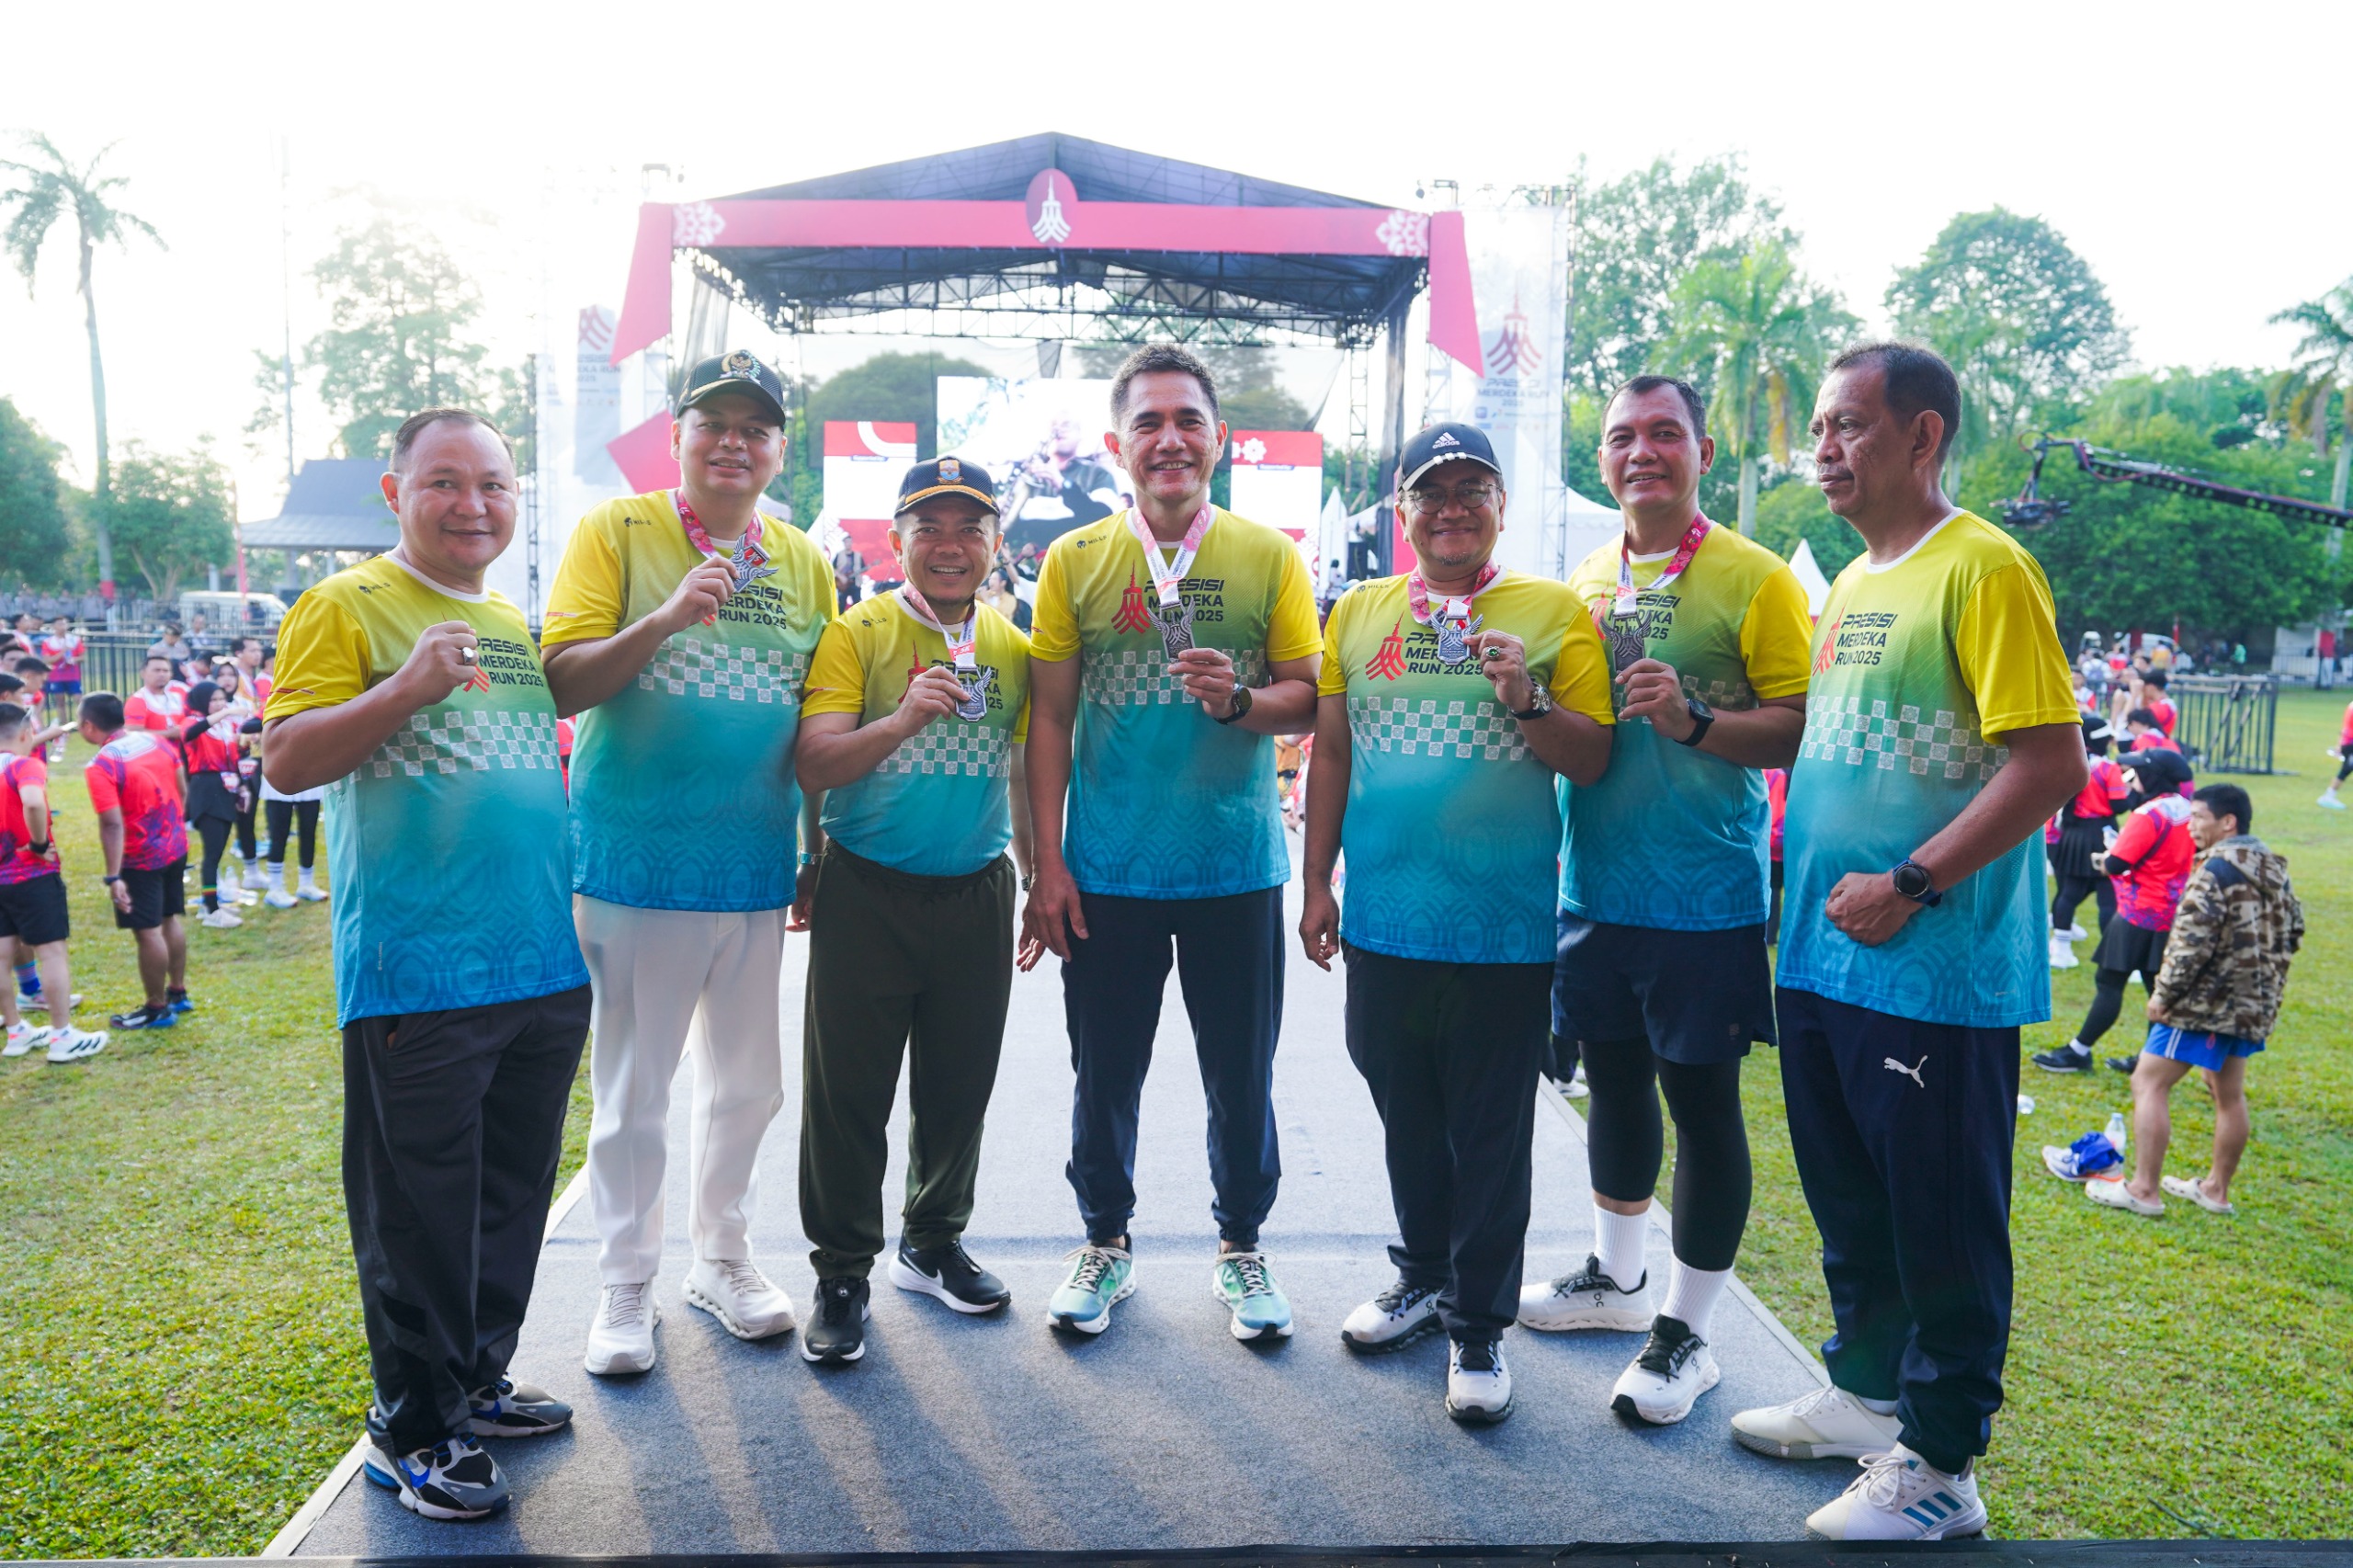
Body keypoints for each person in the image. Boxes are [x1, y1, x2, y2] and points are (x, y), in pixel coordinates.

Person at [1733, 345, 2082, 1541]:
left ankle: (1940, 1462)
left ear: (1923, 436)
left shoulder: (1985, 567)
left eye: (1849, 425)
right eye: (1819, 428)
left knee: (1940, 1216)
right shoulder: (1848, 580)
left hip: (1934, 966)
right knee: (1850, 1198)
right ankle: (1864, 1393)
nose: (1823, 449)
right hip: (1824, 956)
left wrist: (1912, 883)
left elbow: (2052, 762)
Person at [264, 408, 589, 1524]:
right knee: (418, 1213)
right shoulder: (346, 603)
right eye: (445, 481)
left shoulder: (506, 620)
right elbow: (286, 758)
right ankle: (412, 1426)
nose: (473, 503)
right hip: (421, 972)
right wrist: (402, 687)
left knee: (510, 1194)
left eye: (493, 483)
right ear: (394, 492)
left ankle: (476, 1380)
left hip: (539, 962)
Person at [1301, 421, 1614, 1424]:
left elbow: (1592, 759)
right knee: (1406, 1110)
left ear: (1500, 507)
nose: (1450, 509)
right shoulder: (1359, 611)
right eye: (1430, 492)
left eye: (1471, 489)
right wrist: (1316, 883)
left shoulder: (1554, 612)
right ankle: (1424, 1274)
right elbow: (1332, 754)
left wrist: (1526, 695)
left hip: (1500, 927)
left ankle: (1477, 1324)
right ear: (1401, 510)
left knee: (1489, 1127)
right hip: (1385, 918)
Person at [1517, 377, 1813, 1427]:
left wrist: (1694, 722)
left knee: (1701, 1103)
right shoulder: (1586, 579)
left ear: (1702, 449)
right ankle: (1616, 1276)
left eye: (1663, 433)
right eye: (1621, 437)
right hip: (1593, 882)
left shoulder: (1755, 576)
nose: (1641, 451)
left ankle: (1688, 1330)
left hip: (1702, 892)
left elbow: (1797, 723)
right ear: (1602, 458)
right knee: (1612, 1086)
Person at [540, 351, 833, 1375]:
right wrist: (663, 618)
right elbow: (561, 681)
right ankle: (626, 1281)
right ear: (677, 436)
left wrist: (815, 845)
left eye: (756, 428)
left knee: (750, 1084)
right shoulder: (616, 531)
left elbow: (819, 713)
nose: (733, 443)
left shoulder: (802, 559)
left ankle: (722, 1258)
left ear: (780, 449)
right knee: (635, 1091)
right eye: (714, 423)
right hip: (638, 863)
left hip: (753, 864)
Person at [1022, 344, 1323, 1342]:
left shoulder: (1268, 555)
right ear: (1116, 445)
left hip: (1234, 864)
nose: (1169, 439)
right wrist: (1048, 864)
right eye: (1147, 422)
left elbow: (1306, 697)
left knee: (1241, 1074)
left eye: (1188, 419)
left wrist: (1241, 701)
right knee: (1105, 1071)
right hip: (1109, 869)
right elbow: (1049, 720)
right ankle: (1104, 1240)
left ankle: (1242, 1246)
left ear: (1218, 437)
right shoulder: (1074, 560)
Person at [791, 459, 1039, 1365]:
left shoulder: (1013, 646)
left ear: (995, 544)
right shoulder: (856, 632)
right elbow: (815, 763)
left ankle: (932, 1242)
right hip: (868, 886)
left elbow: (1024, 774)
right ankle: (842, 1270)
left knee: (958, 1086)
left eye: (970, 528)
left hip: (976, 889)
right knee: (848, 1093)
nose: (949, 545)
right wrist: (899, 720)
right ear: (896, 541)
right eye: (928, 527)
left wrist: (1038, 880)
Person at [2087, 784, 2302, 1217]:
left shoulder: (2215, 870)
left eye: (2199, 816)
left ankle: (2143, 1190)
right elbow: (2294, 930)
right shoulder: (2273, 867)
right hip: (2254, 1002)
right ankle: (2215, 1191)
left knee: (2148, 1081)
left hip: (2205, 1005)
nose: (2190, 826)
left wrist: (2163, 996)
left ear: (2228, 822)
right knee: (2227, 1092)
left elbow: (2190, 945)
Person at [2032, 748, 2195, 1074]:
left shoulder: (2149, 814)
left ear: (2152, 777)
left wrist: (2108, 857)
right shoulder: (2187, 810)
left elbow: (2118, 863)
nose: (2132, 780)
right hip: (2172, 912)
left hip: (2139, 911)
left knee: (2109, 982)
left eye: (2137, 773)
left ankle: (2079, 1052)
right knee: (2156, 988)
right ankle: (2150, 1058)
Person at [78, 691, 194, 1030]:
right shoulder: (156, 741)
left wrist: (113, 876)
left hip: (140, 858)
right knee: (170, 918)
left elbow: (111, 824)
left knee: (148, 931)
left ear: (89, 726)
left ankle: (156, 1008)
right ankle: (178, 993)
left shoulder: (102, 764)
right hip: (175, 846)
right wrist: (173, 828)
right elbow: (182, 789)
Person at [0, 702, 106, 1063]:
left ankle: (16, 1032)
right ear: (26, 733)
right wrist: (38, 843)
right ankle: (62, 1036)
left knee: (2, 955)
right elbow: (32, 802)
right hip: (31, 875)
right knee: (51, 953)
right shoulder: (24, 765)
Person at [2046, 714, 2128, 969]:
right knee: (2107, 897)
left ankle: (2061, 948)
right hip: (2102, 835)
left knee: (2068, 892)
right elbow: (2119, 805)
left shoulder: (2069, 764)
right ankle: (2112, 953)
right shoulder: (2108, 769)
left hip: (2072, 835)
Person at [178, 681, 253, 930]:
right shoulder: (192, 721)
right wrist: (227, 712)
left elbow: (234, 759)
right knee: (211, 854)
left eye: (222, 699)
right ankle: (211, 909)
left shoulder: (225, 727)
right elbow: (189, 734)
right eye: (214, 700)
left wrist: (242, 788)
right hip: (206, 788)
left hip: (225, 788)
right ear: (202, 701)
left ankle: (212, 903)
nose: (220, 704)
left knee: (218, 851)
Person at [1005, 411, 1125, 556]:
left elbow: (1104, 519)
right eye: (1053, 425)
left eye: (1066, 425)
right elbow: (1010, 533)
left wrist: (1063, 485)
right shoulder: (1029, 477)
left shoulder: (1098, 474)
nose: (1058, 429)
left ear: (1080, 436)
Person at [124, 655, 185, 739]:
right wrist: (168, 734)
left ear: (171, 674)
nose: (162, 674)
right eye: (157, 670)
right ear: (143, 674)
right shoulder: (138, 700)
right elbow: (133, 734)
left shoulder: (177, 697)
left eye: (166, 671)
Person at [2316, 694, 2353, 809]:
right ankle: (2328, 796)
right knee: (2346, 770)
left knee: (2345, 770)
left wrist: (2339, 744)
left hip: (2347, 743)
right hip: (2350, 744)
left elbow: (2346, 728)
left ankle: (2329, 796)